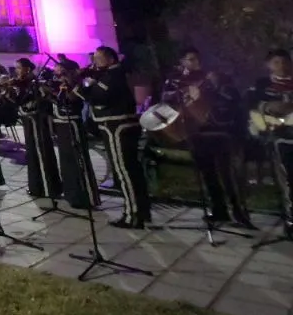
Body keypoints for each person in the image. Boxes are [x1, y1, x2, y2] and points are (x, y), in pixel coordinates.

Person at [169, 49, 252, 227]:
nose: (194, 63)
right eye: (189, 60)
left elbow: (232, 99)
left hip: (219, 131)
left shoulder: (215, 77)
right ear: (182, 62)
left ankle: (239, 212)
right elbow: (167, 100)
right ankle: (219, 210)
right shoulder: (177, 81)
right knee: (208, 174)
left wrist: (212, 90)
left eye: (197, 59)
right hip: (196, 132)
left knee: (227, 175)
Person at [76, 46, 150, 228]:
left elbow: (98, 96)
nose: (95, 62)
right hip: (117, 126)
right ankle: (140, 210)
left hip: (117, 126)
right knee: (131, 170)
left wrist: (78, 86)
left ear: (111, 59)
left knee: (124, 170)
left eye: (99, 58)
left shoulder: (114, 75)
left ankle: (133, 214)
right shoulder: (110, 74)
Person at [248, 49, 293, 240]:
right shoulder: (261, 85)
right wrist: (268, 107)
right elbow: (251, 109)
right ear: (269, 65)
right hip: (278, 138)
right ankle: (290, 220)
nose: (281, 66)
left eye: (284, 62)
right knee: (288, 179)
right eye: (276, 63)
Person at [6, 59, 62, 199]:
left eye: (19, 68)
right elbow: (18, 102)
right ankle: (36, 186)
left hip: (37, 122)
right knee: (32, 153)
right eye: (16, 68)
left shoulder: (35, 83)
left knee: (42, 151)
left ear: (27, 69)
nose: (17, 71)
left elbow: (39, 102)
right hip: (28, 122)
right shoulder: (20, 84)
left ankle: (48, 187)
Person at [52, 59, 101, 210]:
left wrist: (66, 86)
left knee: (77, 159)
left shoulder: (78, 84)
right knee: (66, 160)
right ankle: (71, 193)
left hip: (73, 124)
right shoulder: (61, 83)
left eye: (60, 69)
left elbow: (72, 99)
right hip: (62, 126)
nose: (56, 71)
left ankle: (84, 196)